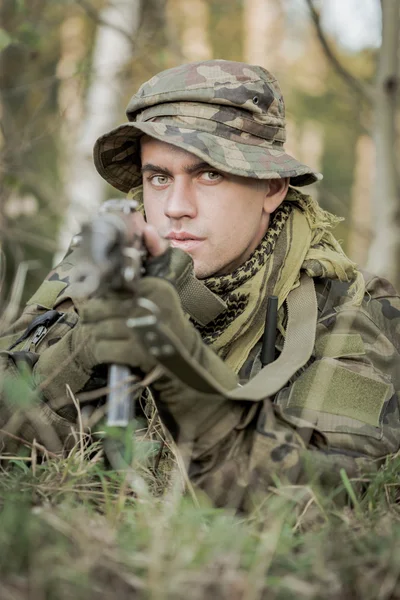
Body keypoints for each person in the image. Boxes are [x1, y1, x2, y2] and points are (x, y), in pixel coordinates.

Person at [1, 59, 400, 512]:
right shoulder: (101, 270)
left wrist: (176, 363)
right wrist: (80, 352)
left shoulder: (352, 311)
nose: (175, 207)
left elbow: (321, 505)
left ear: (271, 187)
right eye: (159, 177)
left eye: (210, 174)